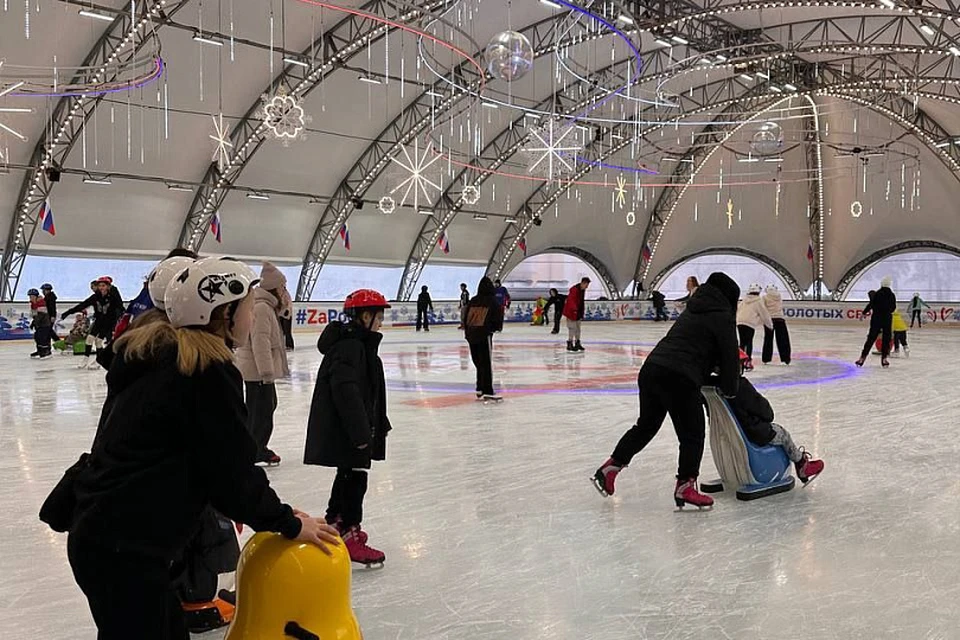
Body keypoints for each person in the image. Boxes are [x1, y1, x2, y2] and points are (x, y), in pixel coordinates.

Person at [53, 256, 338, 640]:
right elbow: (231, 473)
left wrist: (268, 511)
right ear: (223, 313)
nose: (252, 317)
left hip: (107, 538)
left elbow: (187, 458)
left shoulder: (157, 358)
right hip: (125, 549)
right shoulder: (204, 373)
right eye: (248, 307)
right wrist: (286, 521)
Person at [593, 272, 741, 509]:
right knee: (692, 434)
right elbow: (729, 357)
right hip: (679, 377)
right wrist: (730, 387)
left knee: (646, 425)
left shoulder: (694, 308)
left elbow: (694, 344)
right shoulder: (723, 315)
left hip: (652, 368)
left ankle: (612, 466)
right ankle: (685, 486)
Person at [304, 289, 393, 566]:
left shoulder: (357, 344)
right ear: (365, 316)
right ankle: (349, 531)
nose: (381, 322)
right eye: (378, 316)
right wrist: (360, 432)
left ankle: (338, 523)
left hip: (353, 426)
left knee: (349, 472)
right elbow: (346, 390)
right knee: (354, 477)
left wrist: (379, 422)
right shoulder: (352, 346)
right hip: (348, 429)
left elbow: (367, 391)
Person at [721, 349, 824, 484]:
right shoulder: (742, 387)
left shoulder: (716, 387)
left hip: (730, 433)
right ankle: (801, 464)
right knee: (782, 433)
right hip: (755, 432)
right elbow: (767, 413)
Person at [234, 262, 290, 466]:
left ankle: (254, 446)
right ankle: (255, 449)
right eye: (283, 287)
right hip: (257, 372)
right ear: (274, 287)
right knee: (261, 412)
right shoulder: (262, 308)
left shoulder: (266, 306)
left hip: (257, 371)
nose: (285, 291)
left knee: (264, 408)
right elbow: (260, 341)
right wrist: (266, 372)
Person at [61, 276, 124, 370]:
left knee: (98, 341)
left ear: (108, 286)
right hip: (99, 320)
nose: (101, 288)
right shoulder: (96, 297)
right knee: (89, 339)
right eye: (99, 286)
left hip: (109, 321)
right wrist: (68, 312)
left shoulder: (113, 296)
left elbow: (120, 306)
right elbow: (83, 304)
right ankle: (85, 360)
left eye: (103, 285)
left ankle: (99, 361)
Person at [463, 277, 504, 400]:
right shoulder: (492, 301)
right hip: (484, 334)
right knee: (485, 362)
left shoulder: (473, 300)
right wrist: (495, 328)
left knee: (478, 362)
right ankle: (487, 389)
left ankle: (480, 388)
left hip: (471, 335)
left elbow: (466, 317)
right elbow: (498, 316)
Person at [857, 276, 897, 367]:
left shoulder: (877, 294)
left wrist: (864, 313)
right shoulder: (892, 295)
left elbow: (871, 304)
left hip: (876, 319)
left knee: (871, 338)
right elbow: (893, 308)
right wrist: (887, 311)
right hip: (887, 319)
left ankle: (862, 358)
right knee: (886, 339)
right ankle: (884, 359)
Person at [736, 283, 772, 370]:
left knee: (742, 343)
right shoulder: (758, 301)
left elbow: (738, 309)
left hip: (740, 322)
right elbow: (764, 314)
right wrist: (769, 325)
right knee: (749, 343)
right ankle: (747, 361)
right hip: (749, 323)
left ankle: (739, 361)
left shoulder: (744, 300)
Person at [760, 284, 791, 365]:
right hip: (780, 319)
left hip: (769, 319)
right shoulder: (779, 296)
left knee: (768, 339)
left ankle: (766, 358)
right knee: (783, 339)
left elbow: (763, 308)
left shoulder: (764, 297)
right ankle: (786, 358)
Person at [563, 277, 591, 352]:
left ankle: (577, 343)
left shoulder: (582, 290)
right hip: (571, 312)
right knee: (572, 328)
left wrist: (581, 311)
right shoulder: (574, 289)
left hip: (578, 312)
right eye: (586, 285)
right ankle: (570, 343)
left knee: (578, 328)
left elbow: (581, 302)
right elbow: (571, 300)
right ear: (583, 283)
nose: (587, 287)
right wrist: (574, 310)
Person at [28, 288, 54, 358]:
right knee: (37, 337)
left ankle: (47, 351)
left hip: (44, 324)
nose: (30, 298)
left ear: (36, 296)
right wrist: (33, 323)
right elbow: (35, 315)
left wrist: (35, 322)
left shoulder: (41, 302)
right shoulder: (33, 304)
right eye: (30, 296)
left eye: (32, 296)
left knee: (43, 338)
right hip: (39, 324)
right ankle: (40, 350)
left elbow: (41, 315)